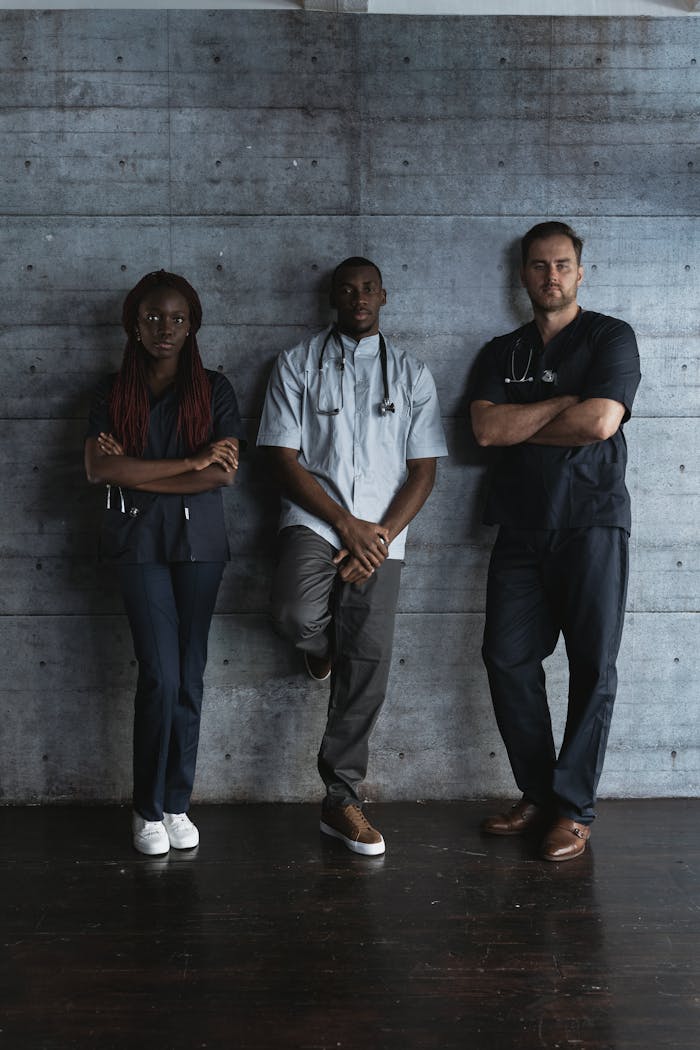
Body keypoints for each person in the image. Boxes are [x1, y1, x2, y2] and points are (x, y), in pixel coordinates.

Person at [257, 257, 447, 856]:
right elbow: (282, 459)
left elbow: (423, 470)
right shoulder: (296, 364)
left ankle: (342, 797)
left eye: (368, 288)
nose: (358, 296)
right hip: (315, 520)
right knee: (293, 614)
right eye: (348, 288)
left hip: (385, 534)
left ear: (383, 295)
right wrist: (345, 525)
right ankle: (320, 652)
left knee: (369, 660)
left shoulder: (413, 373)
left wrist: (380, 536)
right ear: (333, 296)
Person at [470, 222, 641, 861]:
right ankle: (540, 794)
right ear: (522, 275)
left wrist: (525, 422)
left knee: (593, 667)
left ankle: (573, 809)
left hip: (592, 522)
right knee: (506, 659)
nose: (551, 276)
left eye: (562, 265)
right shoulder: (501, 351)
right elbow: (485, 431)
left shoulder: (609, 337)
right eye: (539, 266)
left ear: (580, 271)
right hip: (520, 527)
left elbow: (599, 421)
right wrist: (556, 407)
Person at [85, 270, 243, 856]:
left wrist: (145, 469)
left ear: (193, 325)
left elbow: (223, 474)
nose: (165, 328)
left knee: (190, 675)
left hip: (200, 546)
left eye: (177, 318)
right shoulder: (110, 392)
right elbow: (100, 471)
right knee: (161, 675)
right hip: (136, 546)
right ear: (133, 324)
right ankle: (147, 807)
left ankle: (178, 801)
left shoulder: (215, 388)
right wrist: (189, 464)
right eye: (153, 317)